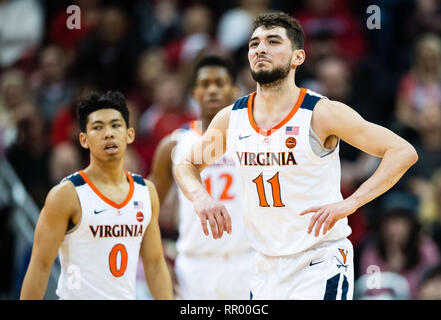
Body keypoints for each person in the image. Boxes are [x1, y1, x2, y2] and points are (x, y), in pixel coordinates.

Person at [174, 12, 418, 300]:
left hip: (318, 261)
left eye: (273, 41)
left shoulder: (321, 113)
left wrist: (352, 202)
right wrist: (201, 197)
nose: (260, 49)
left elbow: (402, 151)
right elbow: (186, 163)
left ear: (297, 57)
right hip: (264, 265)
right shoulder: (231, 118)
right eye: (254, 44)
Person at [20, 91, 173, 300]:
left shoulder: (146, 191)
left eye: (116, 125)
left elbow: (155, 264)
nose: (108, 133)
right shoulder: (67, 195)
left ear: (129, 134)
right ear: (83, 139)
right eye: (98, 127)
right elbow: (40, 266)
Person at [149, 55, 254, 299]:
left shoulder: (257, 138)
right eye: (205, 84)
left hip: (247, 262)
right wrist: (160, 263)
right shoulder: (174, 144)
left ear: (235, 89)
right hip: (194, 268)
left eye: (220, 83)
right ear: (194, 93)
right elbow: (146, 212)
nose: (213, 90)